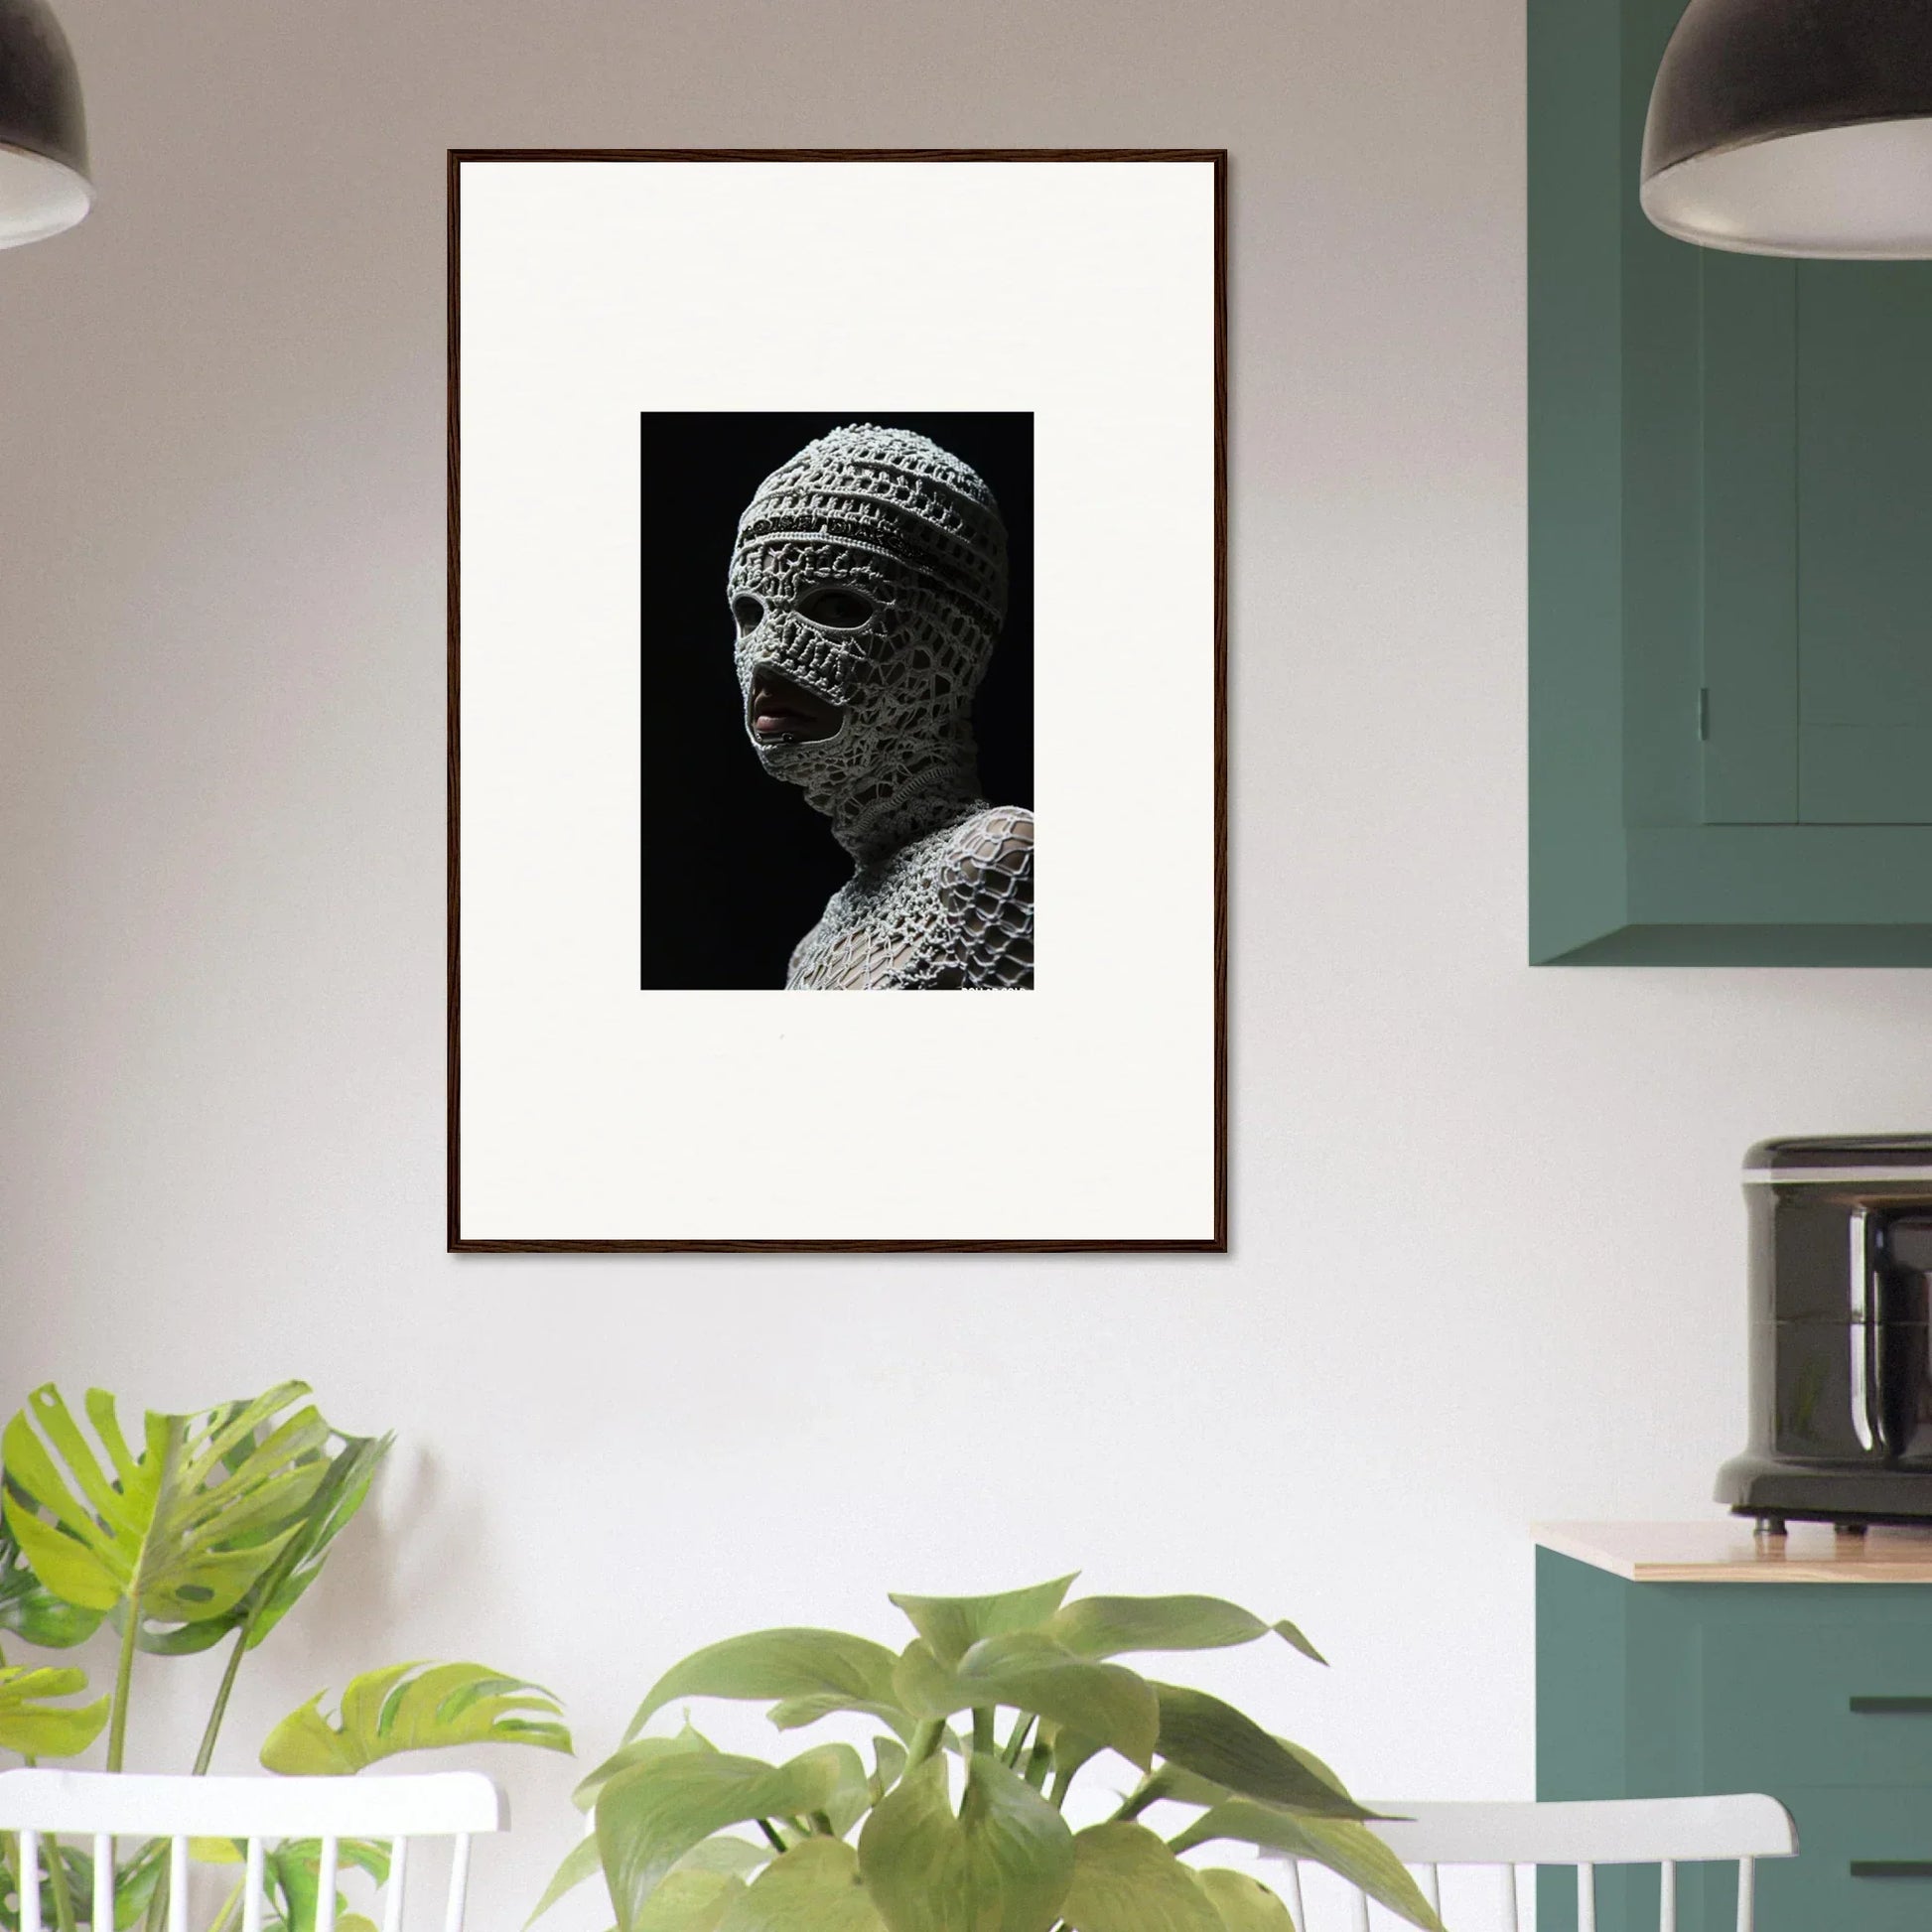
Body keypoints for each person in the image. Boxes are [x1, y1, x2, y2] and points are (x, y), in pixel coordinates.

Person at [728, 423, 1034, 990]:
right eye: (751, 614)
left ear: (950, 638)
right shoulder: (817, 944)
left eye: (837, 605)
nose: (767, 657)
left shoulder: (1000, 859)